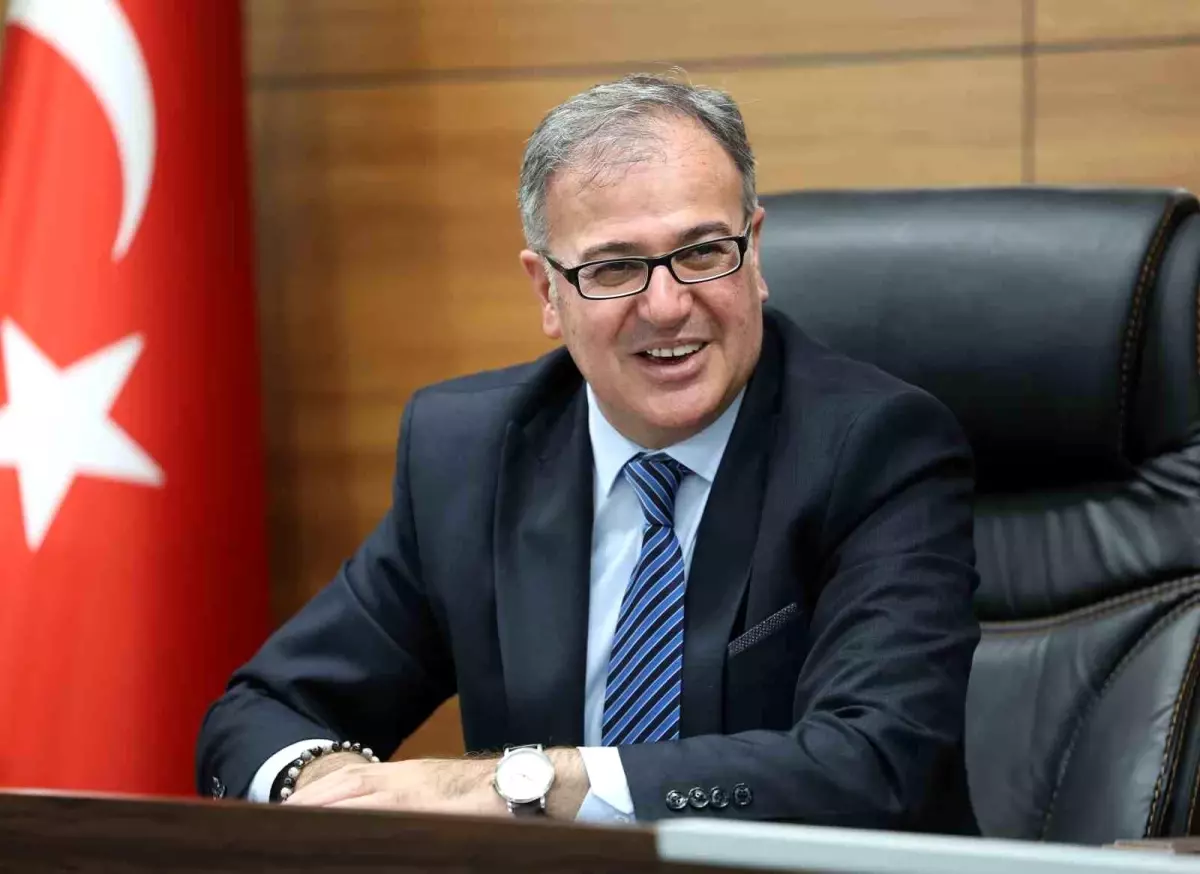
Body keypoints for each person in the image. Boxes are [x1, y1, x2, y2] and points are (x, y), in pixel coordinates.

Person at [196, 73, 981, 832]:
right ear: (547, 292)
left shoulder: (877, 451)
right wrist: (333, 786)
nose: (667, 306)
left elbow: (874, 763)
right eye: (615, 268)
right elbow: (260, 712)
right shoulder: (470, 453)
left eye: (703, 252)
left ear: (754, 251)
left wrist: (525, 785)